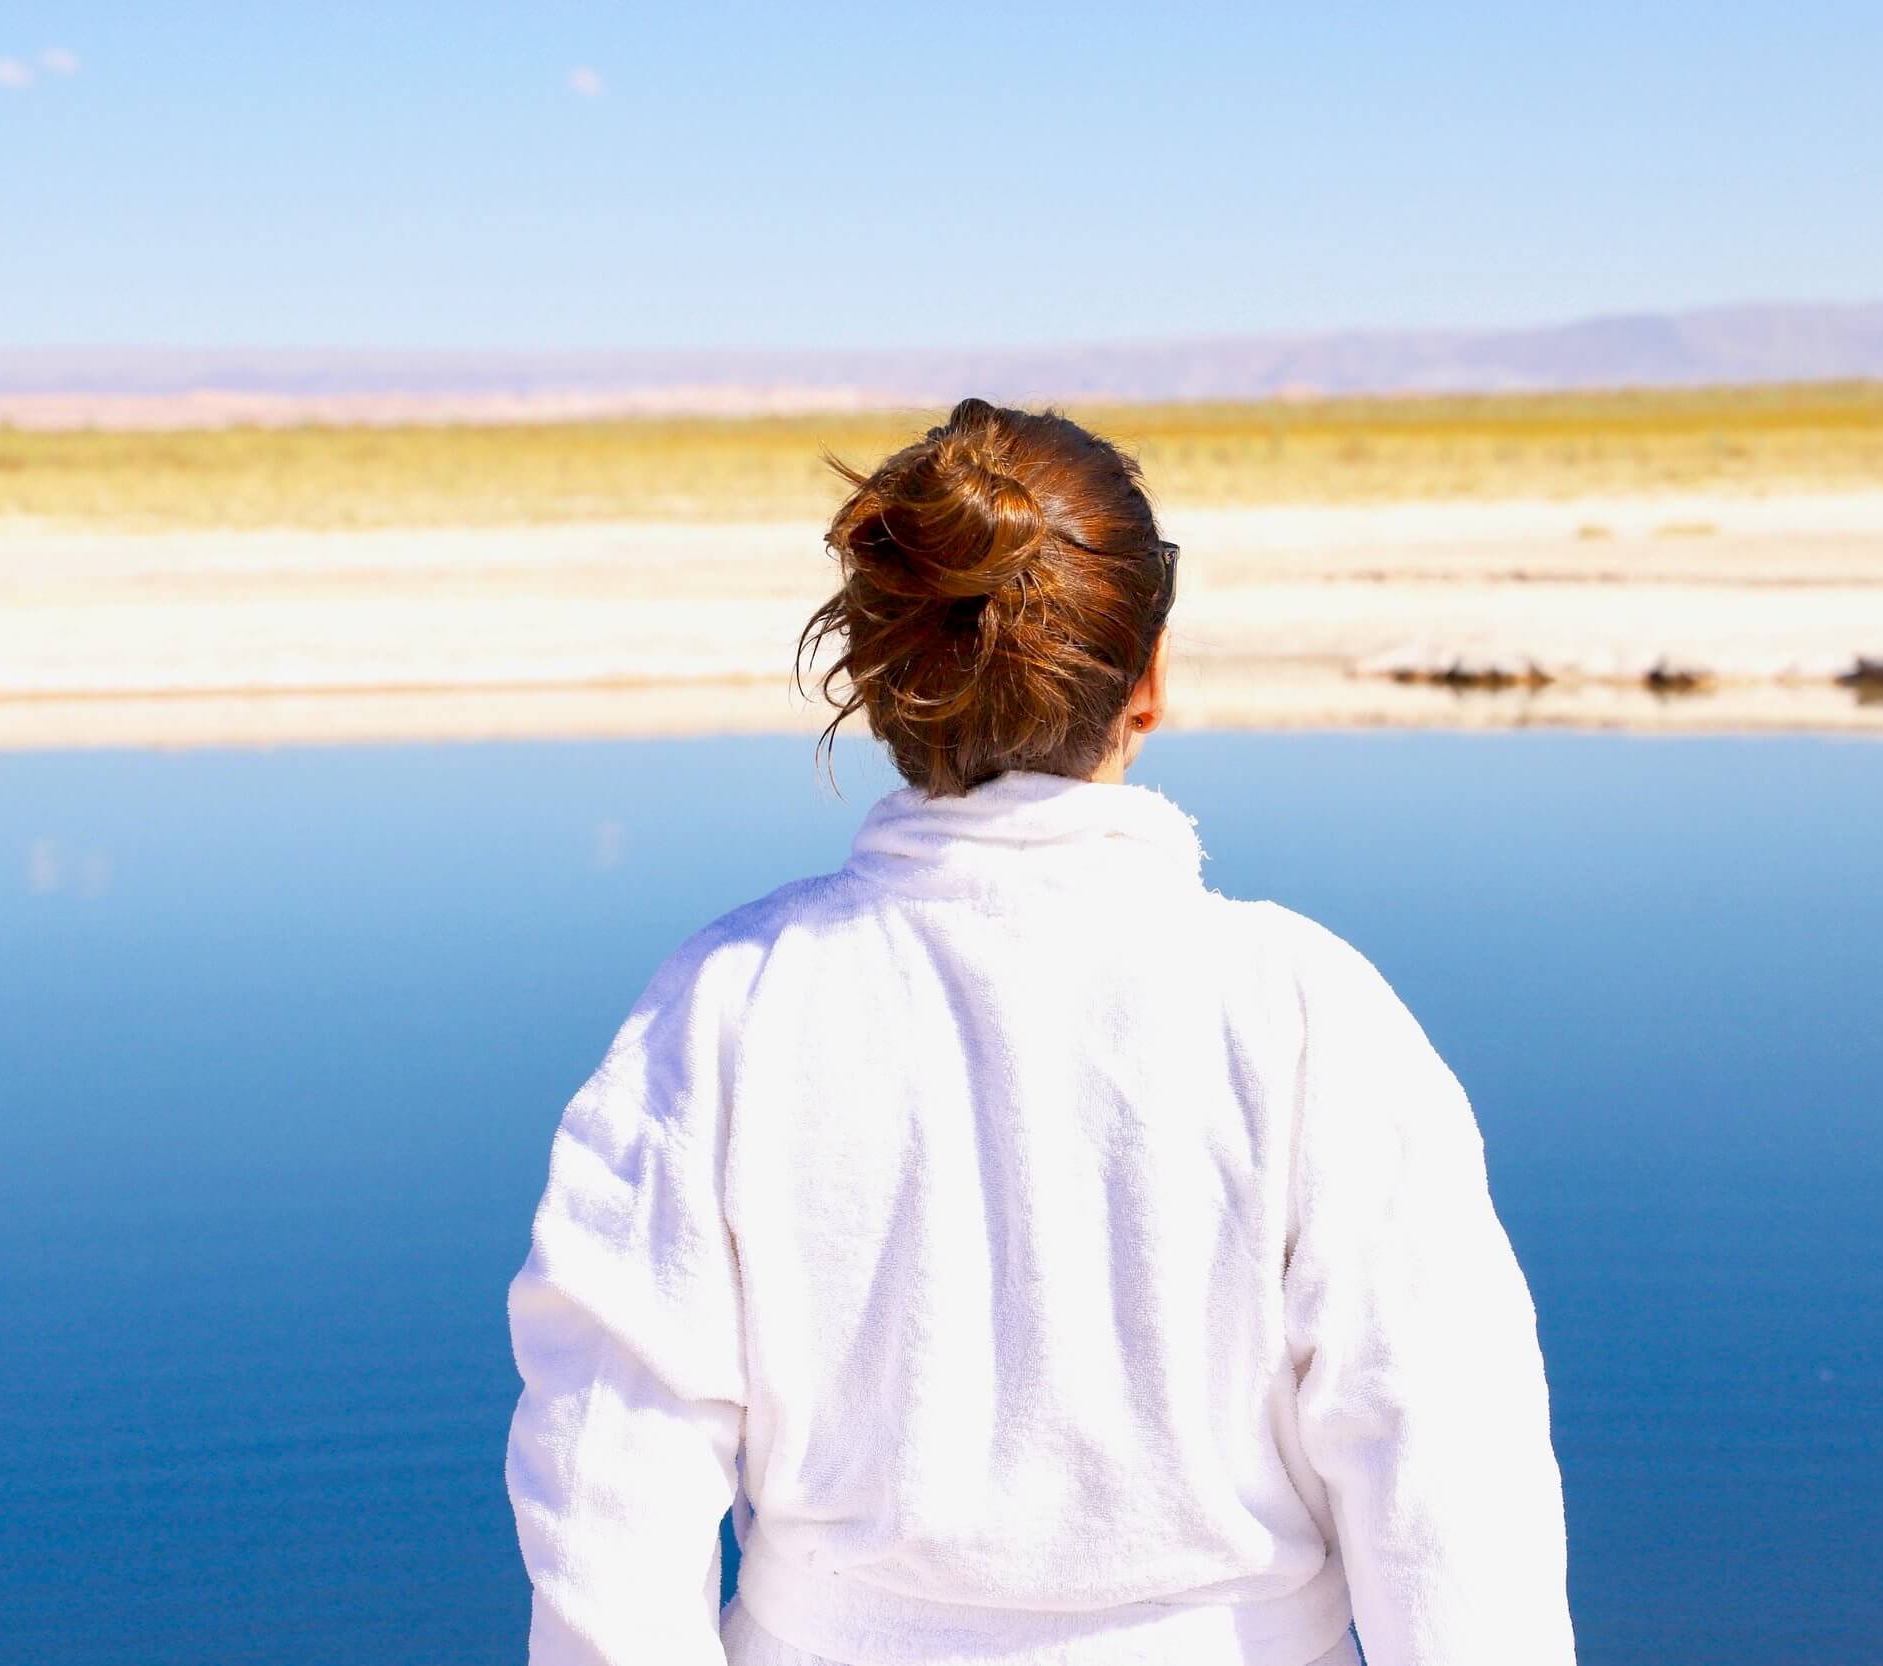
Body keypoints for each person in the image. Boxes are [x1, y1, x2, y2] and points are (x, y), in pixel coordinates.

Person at [503, 397, 1575, 1666]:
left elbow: (608, 1481)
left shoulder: (729, 1005)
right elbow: (1447, 1482)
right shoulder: (1301, 1011)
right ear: (1152, 680)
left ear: (888, 690)